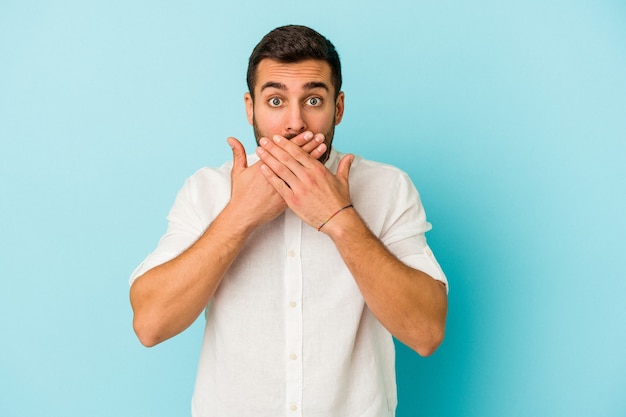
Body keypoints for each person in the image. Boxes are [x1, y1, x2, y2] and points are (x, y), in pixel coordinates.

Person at [129, 24, 448, 417]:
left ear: (339, 108)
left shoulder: (388, 188)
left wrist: (338, 218)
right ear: (251, 108)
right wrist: (239, 216)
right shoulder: (206, 191)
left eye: (313, 100)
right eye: (276, 101)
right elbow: (150, 324)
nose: (295, 122)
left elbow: (426, 333)